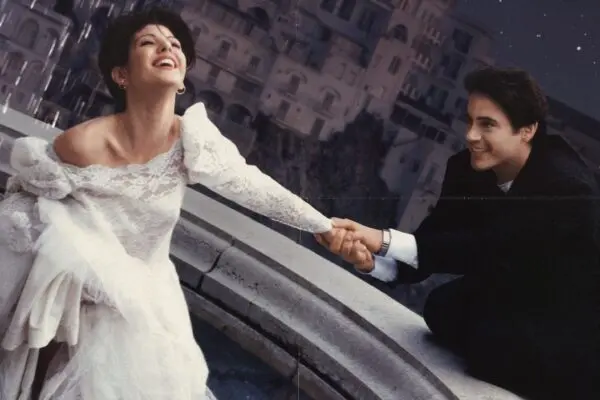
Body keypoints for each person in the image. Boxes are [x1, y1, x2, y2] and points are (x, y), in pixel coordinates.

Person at [0, 8, 339, 400]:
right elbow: (34, 208)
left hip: (149, 299)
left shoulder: (191, 139)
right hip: (79, 302)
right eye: (149, 43)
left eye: (174, 45)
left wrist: (324, 226)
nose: (167, 48)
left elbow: (250, 185)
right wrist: (77, 266)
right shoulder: (82, 143)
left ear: (181, 78)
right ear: (122, 74)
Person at [319, 67, 600, 399]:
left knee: (489, 347)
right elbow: (431, 242)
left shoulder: (568, 187)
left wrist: (383, 239)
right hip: (511, 291)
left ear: (526, 130)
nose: (471, 135)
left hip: (574, 319)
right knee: (441, 308)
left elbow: (492, 248)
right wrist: (368, 260)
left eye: (487, 125)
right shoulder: (466, 168)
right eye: (470, 120)